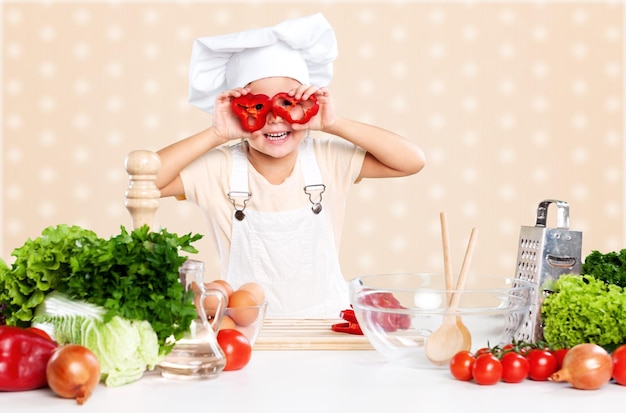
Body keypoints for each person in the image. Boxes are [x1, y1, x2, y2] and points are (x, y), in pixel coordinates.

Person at [155, 13, 425, 318]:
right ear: (237, 112)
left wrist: (334, 123)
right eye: (257, 107)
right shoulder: (219, 169)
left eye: (289, 104)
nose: (275, 118)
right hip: (248, 333)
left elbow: (412, 161)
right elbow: (145, 181)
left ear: (308, 108)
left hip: (325, 328)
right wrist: (216, 134)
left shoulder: (327, 158)